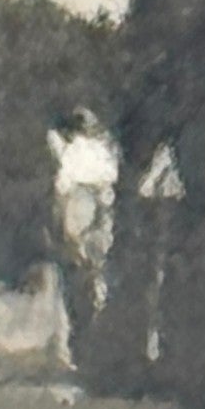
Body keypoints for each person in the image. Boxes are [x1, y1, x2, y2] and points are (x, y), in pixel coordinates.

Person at [46, 107, 119, 370]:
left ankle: (83, 347)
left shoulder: (81, 151)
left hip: (87, 212)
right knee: (87, 285)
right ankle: (84, 347)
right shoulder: (93, 150)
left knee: (82, 286)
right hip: (86, 212)